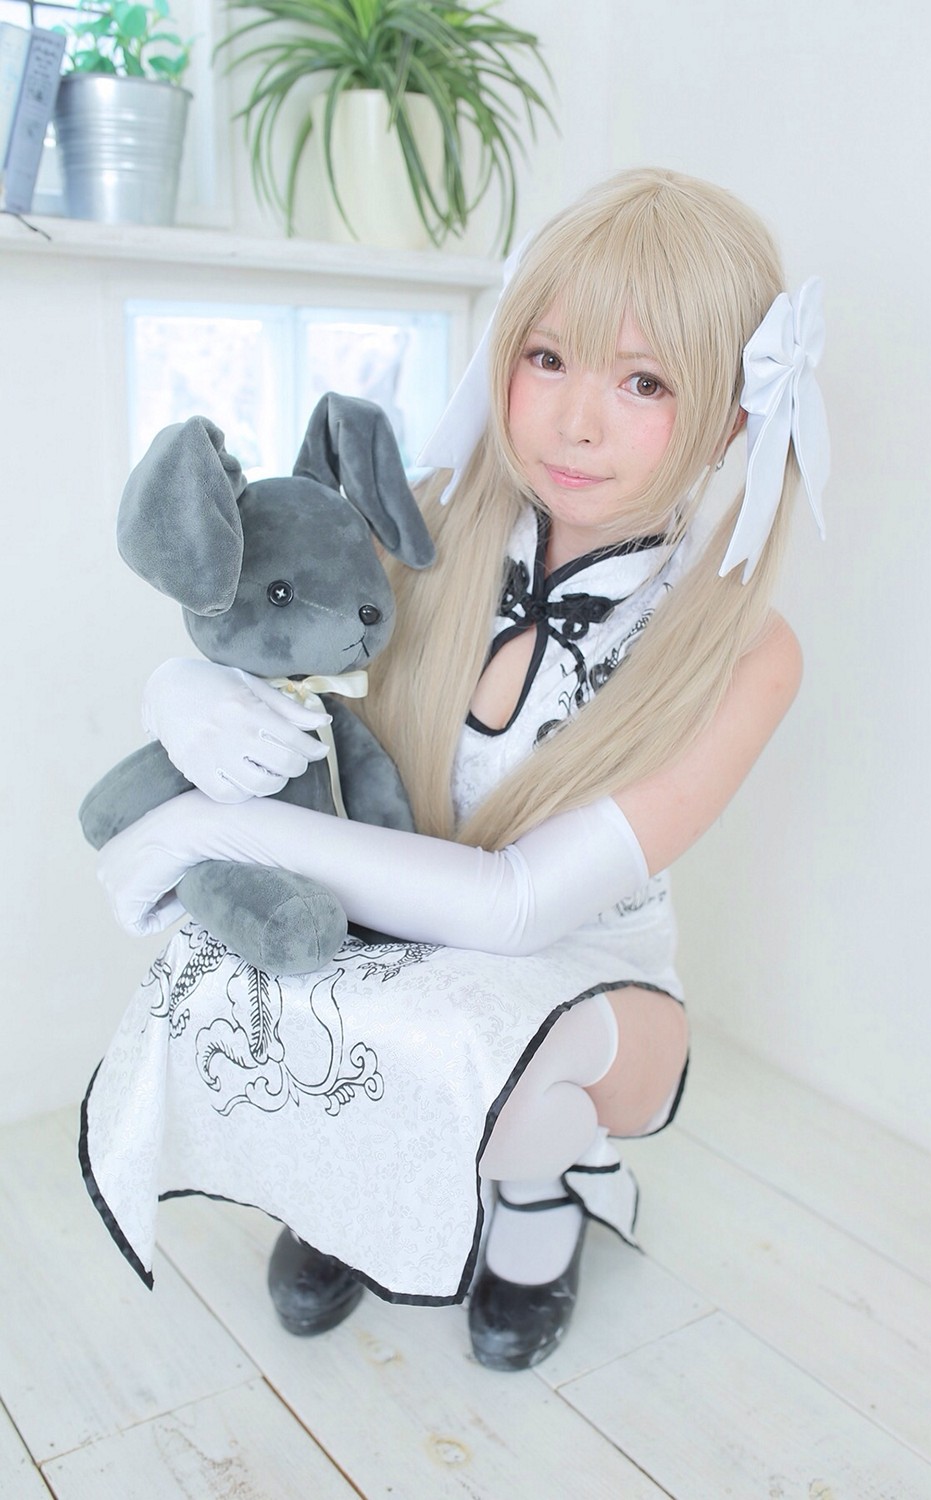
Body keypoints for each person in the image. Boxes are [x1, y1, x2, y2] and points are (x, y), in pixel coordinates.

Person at [87, 166, 828, 1372]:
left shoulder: (741, 647)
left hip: (585, 987)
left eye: (643, 381)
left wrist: (202, 831)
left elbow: (517, 908)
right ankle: (351, 1177)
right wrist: (179, 691)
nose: (576, 421)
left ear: (732, 416)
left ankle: (532, 1202)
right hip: (395, 931)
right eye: (548, 358)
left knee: (511, 1078)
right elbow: (261, 629)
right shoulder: (416, 524)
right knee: (253, 966)